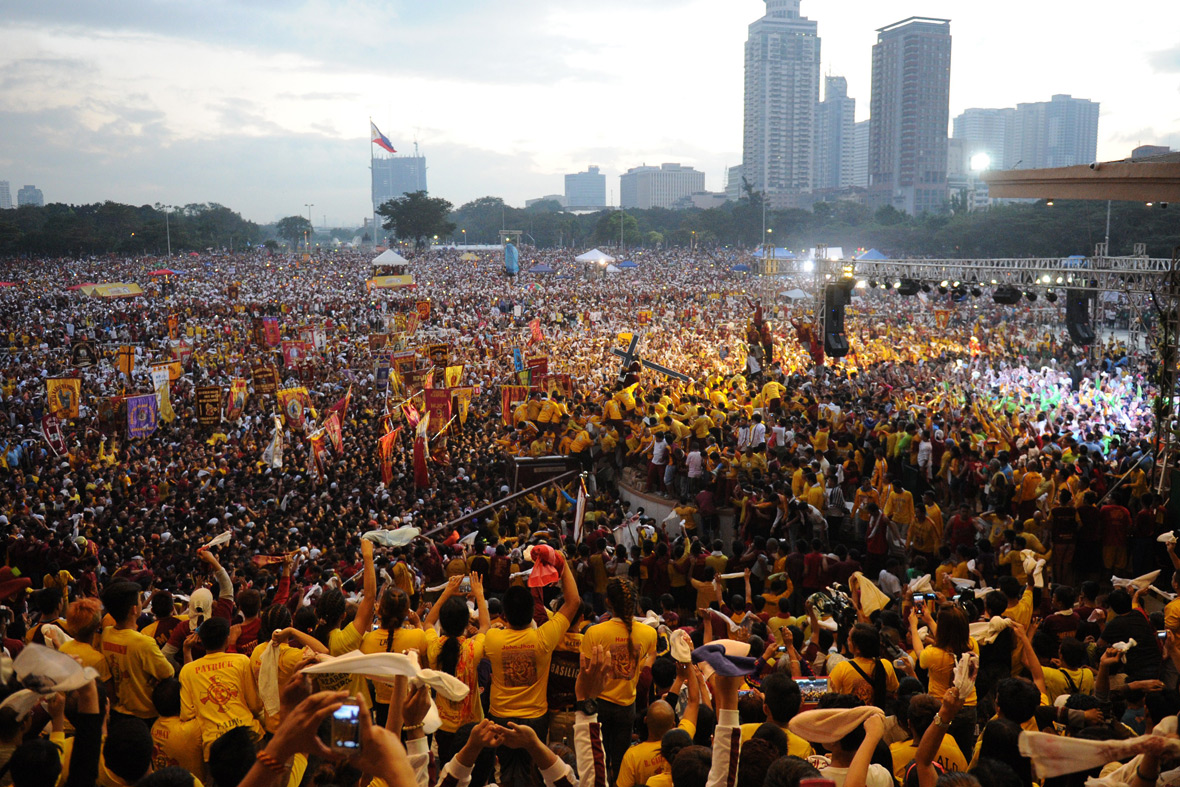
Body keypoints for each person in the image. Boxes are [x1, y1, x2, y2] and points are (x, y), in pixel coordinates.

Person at [484, 553, 580, 786]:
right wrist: (562, 563)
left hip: (500, 714)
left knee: (505, 771)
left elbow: (485, 627)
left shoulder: (493, 639)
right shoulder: (543, 638)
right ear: (531, 613)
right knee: (533, 773)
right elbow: (573, 602)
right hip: (535, 717)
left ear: (504, 615)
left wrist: (479, 595)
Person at [581, 576, 659, 782]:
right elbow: (648, 663)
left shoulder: (594, 632)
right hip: (627, 705)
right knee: (621, 761)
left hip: (599, 705)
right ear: (635, 604)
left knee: (599, 760)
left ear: (608, 602)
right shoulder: (650, 633)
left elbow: (586, 673)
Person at [178, 615, 264, 762]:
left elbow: (187, 715)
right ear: (227, 639)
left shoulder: (187, 670)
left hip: (214, 746)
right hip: (250, 736)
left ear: (202, 642)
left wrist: (187, 652)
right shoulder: (242, 661)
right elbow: (255, 705)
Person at [100, 580, 175, 724]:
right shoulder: (143, 642)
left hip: (117, 712)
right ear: (134, 609)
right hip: (145, 715)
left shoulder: (106, 633)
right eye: (140, 600)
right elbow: (168, 673)